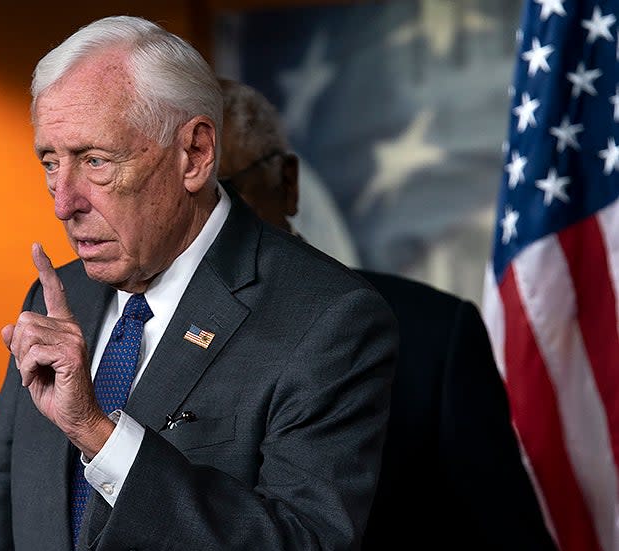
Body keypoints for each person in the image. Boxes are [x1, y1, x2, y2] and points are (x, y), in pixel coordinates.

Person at [0, 16, 397, 551]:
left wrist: (101, 436)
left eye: (95, 161)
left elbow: (305, 542)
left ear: (194, 154)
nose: (62, 203)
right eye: (50, 162)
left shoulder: (327, 319)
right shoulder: (58, 297)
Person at [217, 78, 555, 550]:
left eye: (221, 191)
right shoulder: (119, 339)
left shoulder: (432, 335)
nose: (202, 222)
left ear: (288, 183)